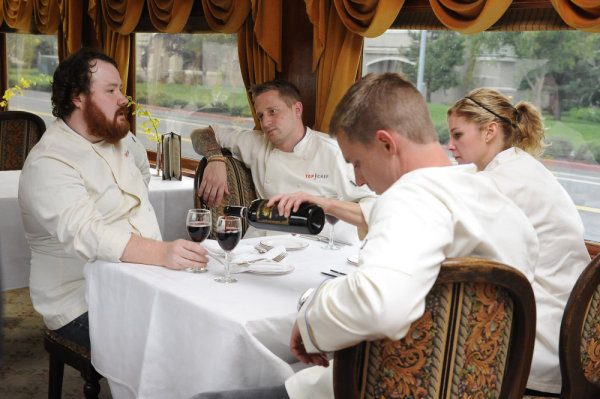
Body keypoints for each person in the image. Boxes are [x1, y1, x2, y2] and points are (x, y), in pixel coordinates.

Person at [191, 74, 539, 399]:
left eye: (356, 162)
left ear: (386, 144)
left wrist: (311, 316)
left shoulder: (408, 198)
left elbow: (379, 306)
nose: (357, 180)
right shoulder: (504, 208)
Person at [18, 48, 208, 351]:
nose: (123, 98)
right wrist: (161, 253)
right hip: (83, 301)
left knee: (213, 322)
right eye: (111, 90)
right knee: (177, 346)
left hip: (143, 280)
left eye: (120, 88)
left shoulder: (120, 138)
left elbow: (141, 182)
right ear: (78, 98)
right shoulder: (49, 160)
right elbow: (88, 235)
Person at [446, 88, 590, 396]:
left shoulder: (500, 182)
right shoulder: (522, 167)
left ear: (490, 131)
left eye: (457, 135)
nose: (450, 146)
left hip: (546, 340)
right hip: (578, 332)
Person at [192, 79, 376, 239]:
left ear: (297, 109)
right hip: (264, 244)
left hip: (318, 245)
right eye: (261, 115)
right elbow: (201, 132)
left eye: (273, 111)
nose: (265, 123)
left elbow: (374, 207)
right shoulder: (256, 143)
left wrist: (327, 205)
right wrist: (215, 158)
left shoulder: (335, 152)